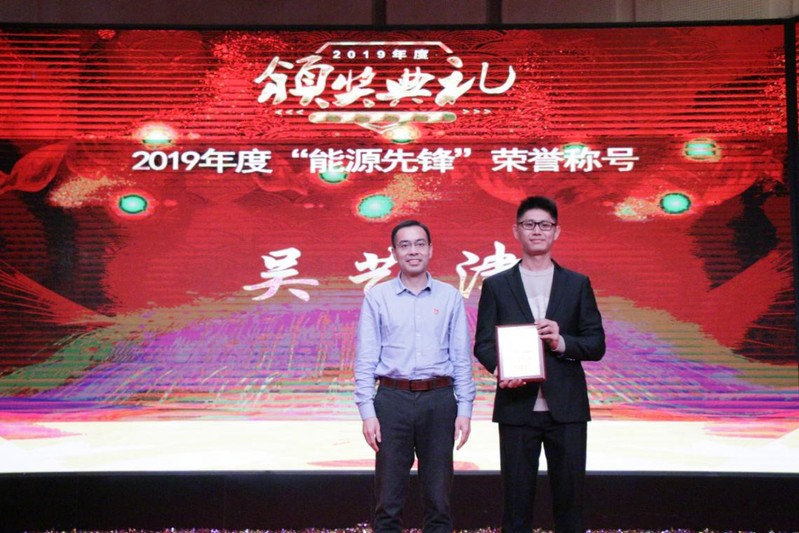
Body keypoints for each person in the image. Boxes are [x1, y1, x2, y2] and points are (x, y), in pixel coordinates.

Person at [474, 196, 605, 533]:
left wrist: (561, 342)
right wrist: (501, 369)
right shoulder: (497, 285)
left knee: (570, 506)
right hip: (517, 408)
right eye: (529, 224)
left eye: (544, 225)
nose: (537, 231)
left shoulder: (576, 284)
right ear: (516, 230)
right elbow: (483, 344)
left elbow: (596, 344)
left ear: (556, 232)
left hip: (567, 410)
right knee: (516, 508)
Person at [354, 219, 476, 533]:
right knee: (388, 501)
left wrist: (465, 409)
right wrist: (367, 412)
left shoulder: (449, 296)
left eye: (420, 244)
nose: (413, 251)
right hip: (392, 400)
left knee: (438, 501)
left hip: (439, 400)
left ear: (430, 249)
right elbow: (366, 358)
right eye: (405, 245)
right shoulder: (378, 297)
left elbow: (461, 357)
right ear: (394, 252)